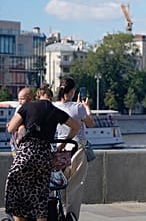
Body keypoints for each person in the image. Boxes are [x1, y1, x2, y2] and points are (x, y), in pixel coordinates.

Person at [5, 84, 80, 221]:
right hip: (45, 156)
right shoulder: (54, 110)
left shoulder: (27, 106)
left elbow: (11, 128)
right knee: (41, 195)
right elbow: (76, 126)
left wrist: (20, 125)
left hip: (27, 152)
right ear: (50, 98)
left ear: (38, 96)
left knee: (17, 187)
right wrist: (63, 144)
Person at [54, 77, 95, 219]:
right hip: (77, 147)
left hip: (60, 147)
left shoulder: (54, 106)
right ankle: (71, 215)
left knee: (60, 183)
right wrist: (87, 108)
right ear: (72, 91)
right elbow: (90, 123)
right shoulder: (78, 108)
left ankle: (59, 211)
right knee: (76, 184)